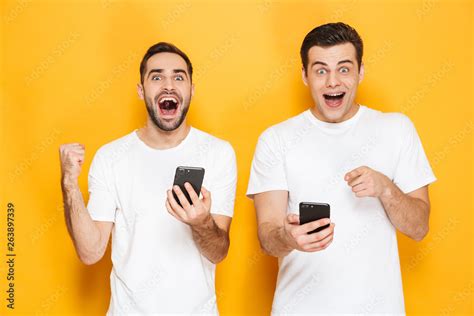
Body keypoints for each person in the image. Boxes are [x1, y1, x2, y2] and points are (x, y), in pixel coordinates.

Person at [247, 22, 436, 314]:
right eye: (321, 70)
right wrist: (288, 237)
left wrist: (386, 188)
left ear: (360, 72)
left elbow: (419, 227)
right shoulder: (276, 139)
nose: (333, 81)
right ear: (305, 76)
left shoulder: (396, 129)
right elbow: (267, 238)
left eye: (344, 69)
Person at [59, 42, 237, 315]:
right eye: (157, 77)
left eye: (179, 77)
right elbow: (90, 251)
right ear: (141, 91)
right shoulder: (111, 157)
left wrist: (201, 222)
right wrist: (69, 184)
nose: (168, 85)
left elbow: (218, 252)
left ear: (191, 90)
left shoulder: (218, 153)